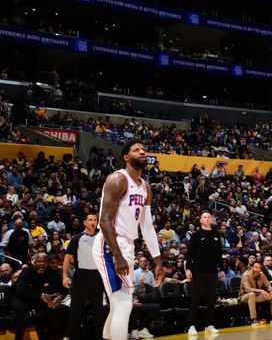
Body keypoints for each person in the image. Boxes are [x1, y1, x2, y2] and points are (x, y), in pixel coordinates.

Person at [93, 139, 163, 340]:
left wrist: (158, 262)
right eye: (136, 150)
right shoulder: (118, 179)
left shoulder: (145, 187)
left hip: (127, 245)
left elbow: (147, 227)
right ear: (126, 157)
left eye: (143, 149)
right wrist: (117, 255)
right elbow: (104, 221)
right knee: (124, 303)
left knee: (119, 305)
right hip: (110, 243)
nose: (142, 151)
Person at [63, 212, 104, 340]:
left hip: (97, 276)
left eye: (95, 220)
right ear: (85, 222)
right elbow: (67, 258)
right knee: (76, 308)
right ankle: (71, 336)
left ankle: (99, 336)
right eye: (90, 220)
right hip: (81, 275)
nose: (93, 222)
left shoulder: (101, 238)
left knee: (98, 309)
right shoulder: (77, 238)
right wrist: (65, 275)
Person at [185, 211, 223, 336]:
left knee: (211, 299)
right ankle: (191, 325)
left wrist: (221, 268)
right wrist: (188, 269)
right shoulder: (196, 235)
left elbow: (219, 254)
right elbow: (189, 254)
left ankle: (209, 325)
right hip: (198, 271)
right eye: (204, 217)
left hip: (212, 271)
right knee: (195, 298)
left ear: (211, 219)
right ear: (201, 220)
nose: (207, 219)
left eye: (208, 217)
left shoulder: (216, 234)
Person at [16, 253, 68, 339]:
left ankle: (56, 336)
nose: (42, 264)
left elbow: (64, 288)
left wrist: (61, 297)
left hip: (42, 300)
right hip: (23, 298)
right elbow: (20, 290)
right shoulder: (27, 271)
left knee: (63, 309)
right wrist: (41, 295)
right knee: (23, 312)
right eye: (39, 261)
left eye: (44, 262)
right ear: (34, 262)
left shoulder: (52, 272)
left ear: (48, 263)